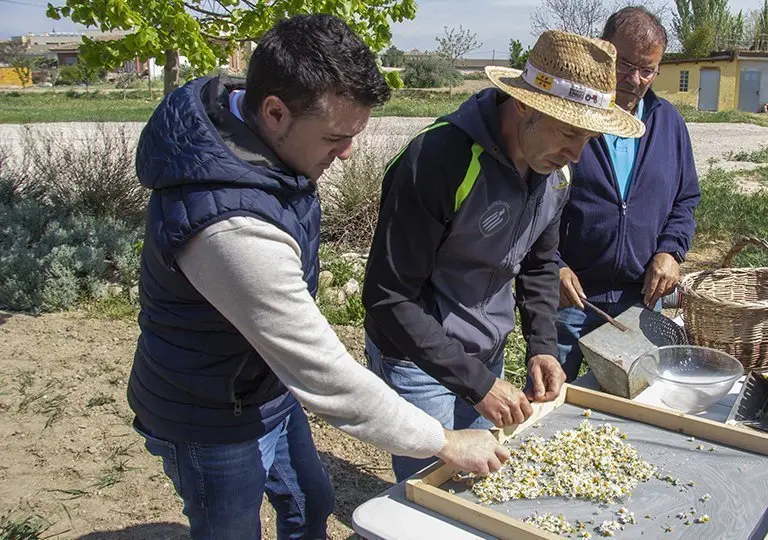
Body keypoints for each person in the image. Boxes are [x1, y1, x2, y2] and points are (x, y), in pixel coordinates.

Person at [127, 14, 507, 540]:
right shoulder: (229, 228)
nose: (348, 152)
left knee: (311, 502)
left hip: (262, 384)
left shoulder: (253, 128)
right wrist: (443, 440)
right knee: (231, 528)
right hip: (209, 411)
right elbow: (322, 371)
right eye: (335, 136)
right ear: (275, 112)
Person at [362, 29, 644, 481]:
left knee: (478, 487)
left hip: (485, 355)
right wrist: (478, 386)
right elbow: (388, 297)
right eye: (569, 132)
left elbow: (539, 264)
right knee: (429, 498)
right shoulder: (438, 160)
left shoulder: (555, 172)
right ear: (526, 105)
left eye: (588, 138)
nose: (576, 152)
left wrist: (542, 347)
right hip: (418, 361)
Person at [554, 7, 702, 381]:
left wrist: (671, 251)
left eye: (647, 69)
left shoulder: (669, 123)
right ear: (604, 52)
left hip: (639, 298)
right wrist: (551, 265)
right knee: (552, 399)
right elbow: (532, 199)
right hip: (569, 298)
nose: (635, 79)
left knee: (634, 398)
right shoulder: (569, 114)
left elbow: (685, 199)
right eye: (625, 64)